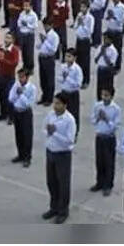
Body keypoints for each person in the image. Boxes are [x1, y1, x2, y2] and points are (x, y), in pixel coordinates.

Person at [43, 96, 77, 224]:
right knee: (51, 182)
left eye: (58, 104)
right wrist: (48, 133)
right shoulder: (50, 115)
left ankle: (63, 211)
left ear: (65, 105)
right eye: (54, 103)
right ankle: (54, 207)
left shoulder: (69, 120)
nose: (55, 106)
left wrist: (54, 133)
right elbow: (44, 128)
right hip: (50, 151)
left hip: (63, 154)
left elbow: (69, 140)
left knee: (63, 183)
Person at [90, 85, 121, 195]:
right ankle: (99, 182)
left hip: (109, 138)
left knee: (109, 162)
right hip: (99, 136)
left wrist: (107, 119)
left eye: (106, 95)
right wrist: (98, 118)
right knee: (99, 161)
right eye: (102, 95)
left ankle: (108, 184)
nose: (104, 97)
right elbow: (92, 120)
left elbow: (116, 126)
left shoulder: (116, 109)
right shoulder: (97, 106)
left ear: (111, 96)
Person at [9, 68, 38, 167]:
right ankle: (20, 154)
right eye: (19, 77)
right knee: (18, 134)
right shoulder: (16, 85)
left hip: (26, 113)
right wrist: (17, 94)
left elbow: (29, 103)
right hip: (17, 111)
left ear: (27, 77)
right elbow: (11, 98)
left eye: (22, 77)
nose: (20, 79)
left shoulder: (32, 88)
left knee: (27, 135)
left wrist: (21, 95)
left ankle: (27, 157)